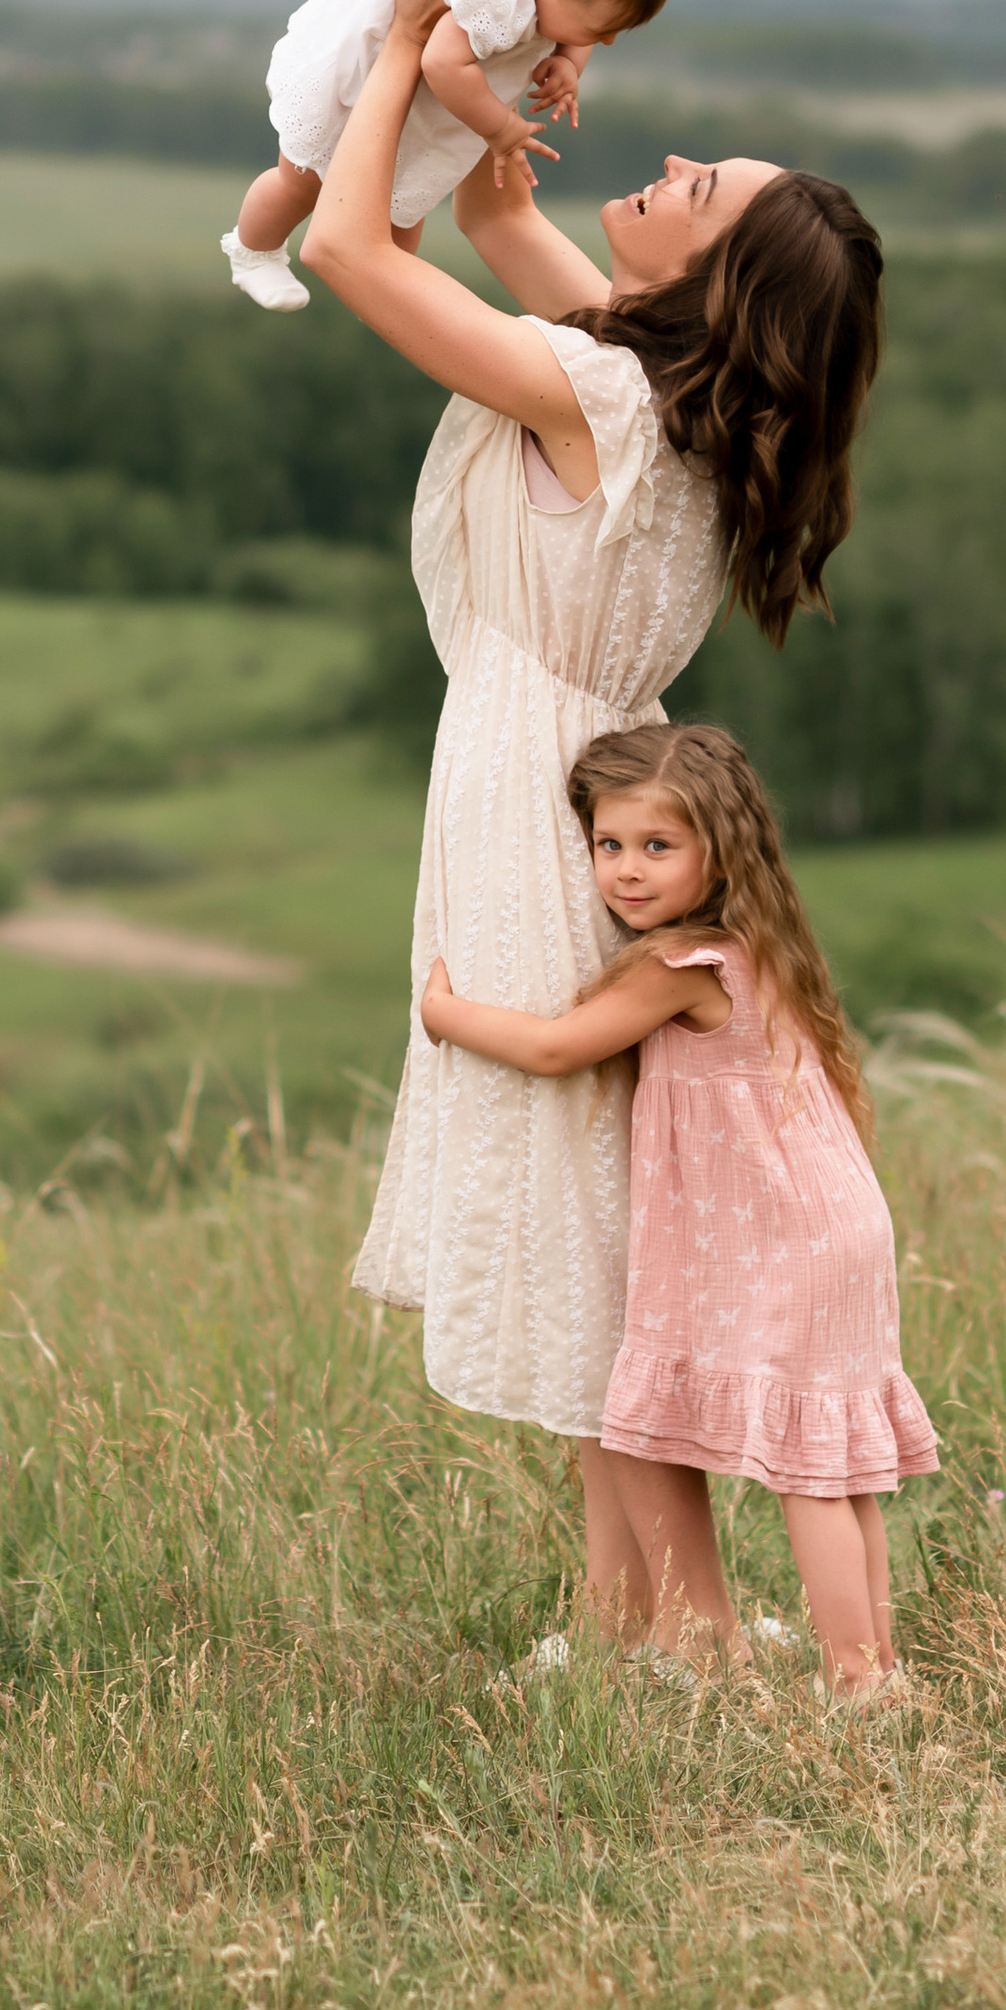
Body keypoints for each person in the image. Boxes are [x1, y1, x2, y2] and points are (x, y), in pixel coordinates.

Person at [309, 0, 884, 1640]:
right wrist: (508, 87)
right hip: (579, 768)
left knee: (579, 1220)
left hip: (535, 799)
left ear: (715, 278)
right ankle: (630, 1608)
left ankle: (681, 1627)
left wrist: (400, 46)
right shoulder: (666, 388)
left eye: (698, 186)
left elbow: (345, 243)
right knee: (590, 1210)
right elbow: (497, 216)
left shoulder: (604, 389)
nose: (672, 160)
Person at [419, 721, 938, 1700]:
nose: (626, 869)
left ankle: (856, 1681)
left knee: (810, 1473)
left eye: (657, 845)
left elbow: (556, 1048)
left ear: (719, 849)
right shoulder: (759, 946)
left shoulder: (680, 966)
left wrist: (442, 1013)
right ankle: (878, 1667)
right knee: (838, 1467)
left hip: (795, 1235)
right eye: (608, 844)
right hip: (837, 1221)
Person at [220, 0, 696, 311]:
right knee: (300, 182)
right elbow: (442, 63)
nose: (606, 41)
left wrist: (569, 60)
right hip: (367, 81)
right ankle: (253, 250)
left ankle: (383, 297)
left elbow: (573, 25)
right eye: (600, 29)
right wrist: (500, 127)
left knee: (403, 214)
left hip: (422, 105)